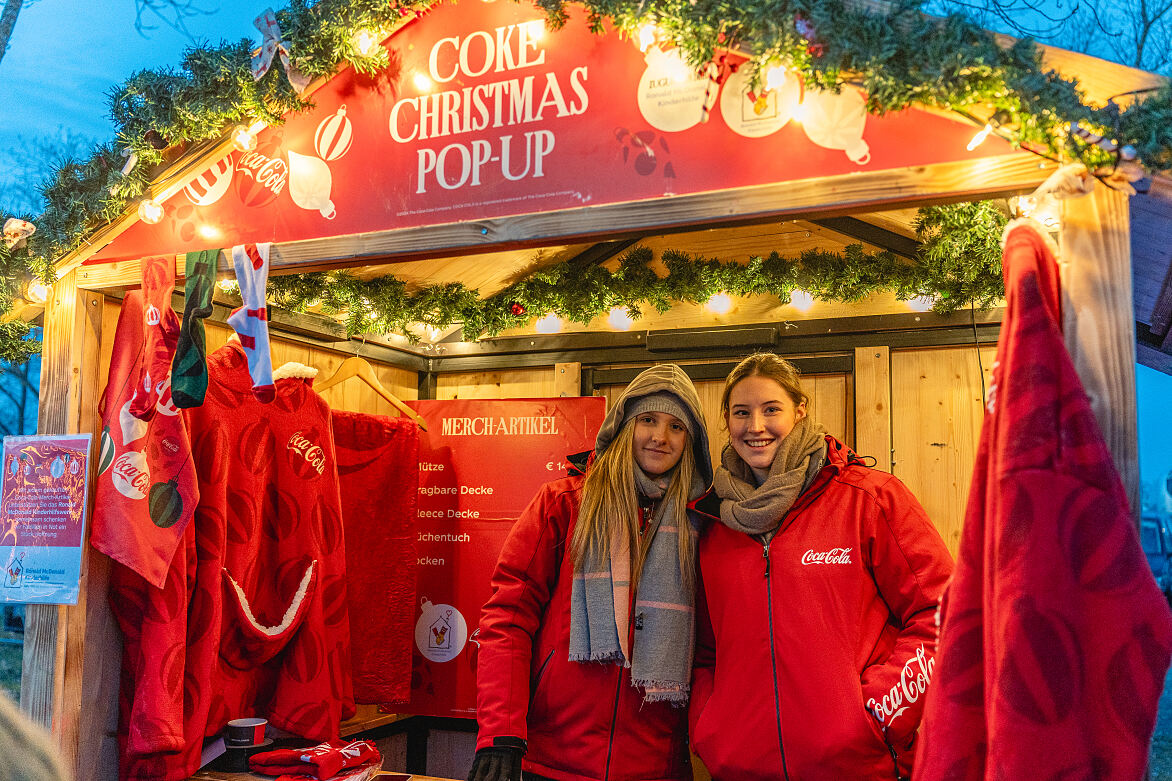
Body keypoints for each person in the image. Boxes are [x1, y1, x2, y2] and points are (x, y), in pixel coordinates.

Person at [689, 353, 954, 781]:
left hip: (857, 766)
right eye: (742, 412)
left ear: (800, 410)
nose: (755, 426)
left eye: (770, 409)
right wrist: (711, 729)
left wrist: (880, 713)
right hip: (740, 766)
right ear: (727, 420)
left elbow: (943, 611)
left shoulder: (868, 498)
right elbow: (704, 650)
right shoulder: (712, 521)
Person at [469, 364, 714, 781]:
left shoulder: (703, 521)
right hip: (554, 757)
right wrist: (501, 730)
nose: (660, 436)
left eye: (676, 426)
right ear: (622, 426)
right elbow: (508, 621)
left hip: (655, 764)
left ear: (692, 440)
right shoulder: (563, 504)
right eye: (648, 420)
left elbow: (711, 650)